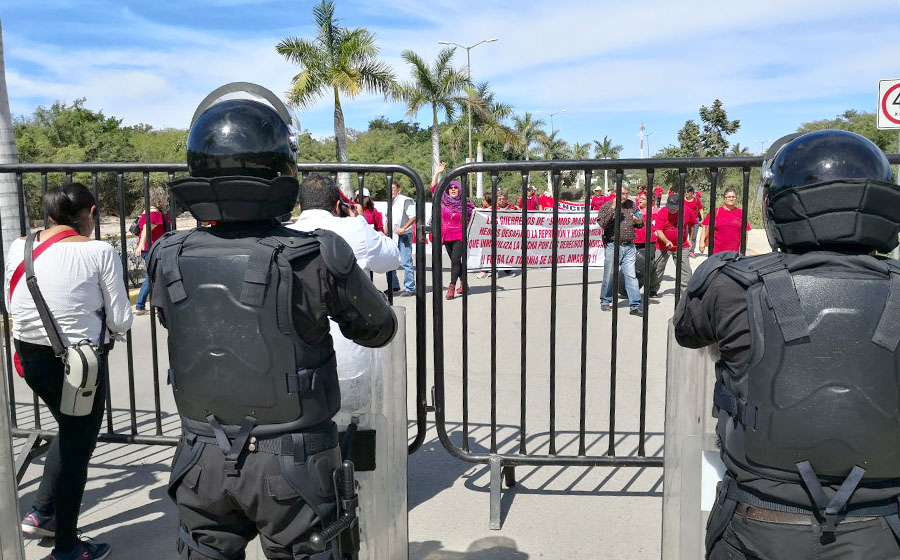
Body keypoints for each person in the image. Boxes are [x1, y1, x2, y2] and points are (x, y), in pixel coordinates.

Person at [148, 86, 397, 560]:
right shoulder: (316, 253)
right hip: (294, 459)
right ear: (281, 169)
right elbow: (378, 328)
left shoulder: (167, 254)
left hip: (200, 456)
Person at [675, 130, 900, 560]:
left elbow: (688, 331)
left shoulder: (732, 284)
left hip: (758, 524)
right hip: (880, 526)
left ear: (779, 205)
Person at [6, 183, 133, 560]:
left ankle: (42, 512)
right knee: (79, 447)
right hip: (80, 367)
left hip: (29, 358)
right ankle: (67, 546)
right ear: (91, 214)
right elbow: (123, 320)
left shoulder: (20, 246)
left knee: (68, 428)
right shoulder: (100, 251)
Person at [291, 177, 399, 275]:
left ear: (300, 207)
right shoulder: (356, 228)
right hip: (350, 296)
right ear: (338, 206)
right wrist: (360, 220)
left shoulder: (282, 234)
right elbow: (394, 258)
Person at [596, 184, 644, 315]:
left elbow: (640, 224)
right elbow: (602, 223)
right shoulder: (606, 206)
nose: (624, 196)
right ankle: (606, 300)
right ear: (615, 192)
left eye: (626, 194)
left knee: (631, 276)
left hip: (628, 246)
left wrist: (639, 221)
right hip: (613, 245)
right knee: (610, 275)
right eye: (622, 193)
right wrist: (613, 208)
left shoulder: (631, 205)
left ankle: (635, 305)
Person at [134, 186, 172, 316]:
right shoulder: (154, 213)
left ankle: (143, 305)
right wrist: (140, 245)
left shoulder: (147, 211)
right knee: (152, 277)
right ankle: (142, 305)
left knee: (152, 276)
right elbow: (146, 228)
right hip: (152, 249)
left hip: (150, 248)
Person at [649, 194, 693, 297]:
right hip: (663, 246)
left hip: (682, 245)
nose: (671, 210)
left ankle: (686, 292)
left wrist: (690, 239)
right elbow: (658, 230)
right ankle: (653, 289)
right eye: (669, 207)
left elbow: (691, 224)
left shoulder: (686, 211)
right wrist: (666, 241)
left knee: (685, 270)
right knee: (658, 268)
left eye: (674, 208)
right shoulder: (663, 212)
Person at [439, 180, 474, 299]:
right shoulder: (443, 201)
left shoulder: (466, 204)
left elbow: (475, 216)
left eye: (456, 187)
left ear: (460, 190)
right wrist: (437, 173)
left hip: (460, 236)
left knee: (455, 260)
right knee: (456, 262)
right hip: (446, 236)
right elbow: (433, 188)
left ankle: (451, 287)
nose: (453, 189)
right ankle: (464, 283)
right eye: (450, 188)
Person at [385, 180, 416, 295]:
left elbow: (413, 217)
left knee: (405, 261)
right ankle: (393, 285)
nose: (391, 191)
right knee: (389, 260)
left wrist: (403, 228)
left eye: (393, 189)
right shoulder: (389, 202)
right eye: (389, 189)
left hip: (403, 235)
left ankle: (410, 288)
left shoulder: (404, 200)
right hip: (391, 235)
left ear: (399, 190)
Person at [699, 187, 750, 254]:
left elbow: (745, 232)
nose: (731, 199)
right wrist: (702, 242)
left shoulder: (741, 213)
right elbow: (705, 227)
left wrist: (743, 248)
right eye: (728, 197)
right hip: (716, 251)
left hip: (735, 253)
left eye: (733, 197)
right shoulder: (716, 212)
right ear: (724, 198)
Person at [683, 186, 704, 257]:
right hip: (685, 221)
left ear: (692, 193)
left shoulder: (696, 200)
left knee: (693, 237)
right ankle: (685, 250)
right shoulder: (682, 200)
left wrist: (702, 219)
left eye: (688, 192)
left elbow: (700, 209)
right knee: (684, 236)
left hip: (695, 220)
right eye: (685, 191)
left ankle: (692, 251)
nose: (686, 193)